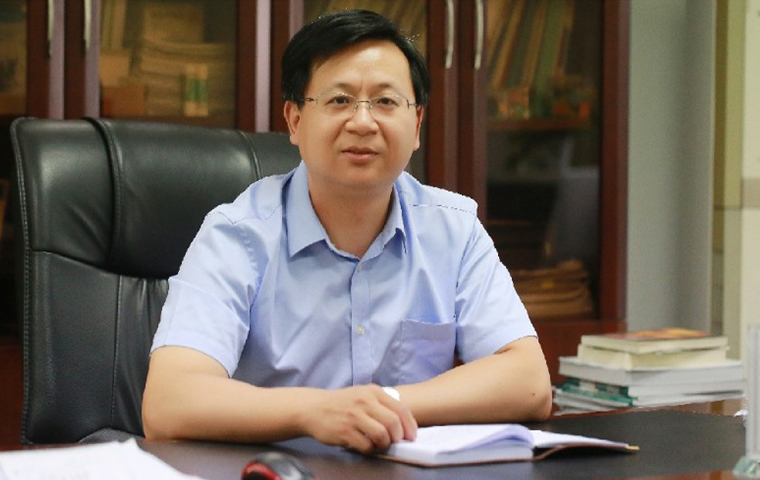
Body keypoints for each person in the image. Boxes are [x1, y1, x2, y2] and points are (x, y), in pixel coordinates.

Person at [142, 9, 552, 454]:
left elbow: (529, 383)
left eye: (386, 102)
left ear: (416, 125)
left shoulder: (453, 229)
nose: (363, 122)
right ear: (295, 120)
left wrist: (383, 407)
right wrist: (315, 412)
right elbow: (168, 403)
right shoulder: (238, 235)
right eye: (339, 100)